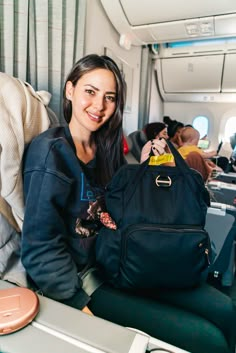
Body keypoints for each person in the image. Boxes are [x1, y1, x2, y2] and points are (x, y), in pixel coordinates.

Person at [21, 54, 236, 353]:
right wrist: (78, 308)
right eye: (90, 92)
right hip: (85, 281)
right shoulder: (51, 154)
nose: (99, 106)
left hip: (121, 261)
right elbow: (39, 246)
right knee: (208, 340)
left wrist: (146, 174)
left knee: (227, 310)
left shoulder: (104, 147)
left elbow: (122, 207)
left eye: (109, 97)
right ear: (70, 90)